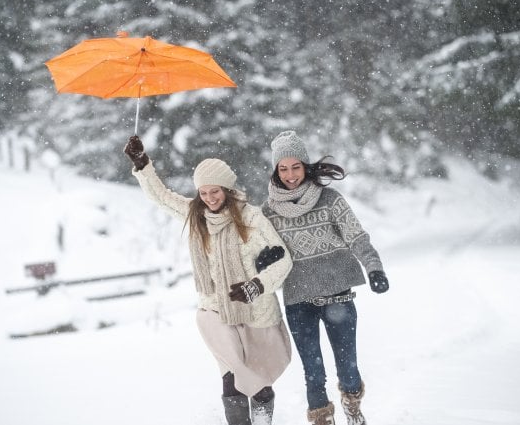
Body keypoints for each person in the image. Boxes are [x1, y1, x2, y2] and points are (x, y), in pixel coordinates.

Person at [123, 135, 293, 425]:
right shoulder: (195, 217)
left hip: (256, 312)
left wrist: (256, 286)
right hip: (217, 312)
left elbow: (283, 260)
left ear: (227, 189)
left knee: (260, 381)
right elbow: (161, 196)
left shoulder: (252, 218)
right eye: (203, 193)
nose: (210, 198)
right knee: (232, 380)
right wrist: (143, 164)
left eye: (215, 191)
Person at [261, 131, 390, 425]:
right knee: (314, 374)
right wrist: (262, 257)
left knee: (348, 370)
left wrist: (374, 268)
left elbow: (357, 237)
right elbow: (254, 247)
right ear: (275, 170)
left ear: (306, 166)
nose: (290, 175)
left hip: (338, 296)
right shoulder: (268, 212)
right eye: (283, 168)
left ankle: (352, 403)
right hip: (298, 301)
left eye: (296, 167)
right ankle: (322, 420)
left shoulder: (330, 200)